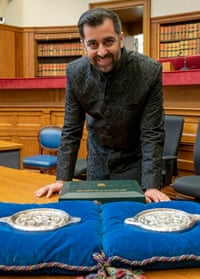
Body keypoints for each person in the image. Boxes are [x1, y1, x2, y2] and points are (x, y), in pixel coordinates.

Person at [34, 8, 170, 202]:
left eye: (108, 41)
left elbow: (152, 133)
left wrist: (152, 185)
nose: (102, 51)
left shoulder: (149, 71)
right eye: (92, 44)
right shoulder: (75, 73)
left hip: (134, 163)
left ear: (120, 39)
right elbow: (71, 130)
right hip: (97, 160)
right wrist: (62, 179)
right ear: (83, 45)